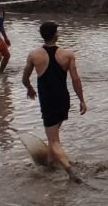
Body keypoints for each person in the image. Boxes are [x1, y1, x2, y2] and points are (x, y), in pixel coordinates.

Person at [22, 21, 86, 183]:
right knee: (54, 134)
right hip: (63, 99)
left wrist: (29, 88)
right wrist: (82, 101)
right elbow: (76, 80)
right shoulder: (68, 55)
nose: (59, 33)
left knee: (53, 140)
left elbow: (24, 78)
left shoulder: (34, 55)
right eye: (58, 31)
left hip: (48, 101)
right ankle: (50, 164)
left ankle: (71, 172)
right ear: (55, 34)